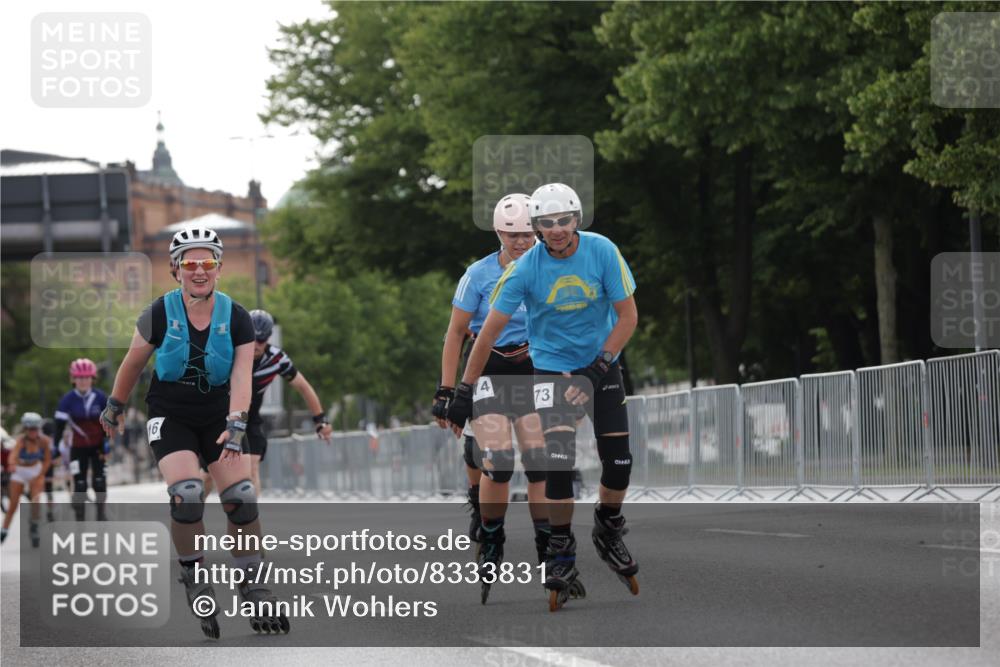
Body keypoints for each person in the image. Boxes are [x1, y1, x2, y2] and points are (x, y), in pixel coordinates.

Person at [448, 183, 640, 611]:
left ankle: (608, 526)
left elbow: (628, 317)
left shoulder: (603, 251)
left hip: (600, 366)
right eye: (546, 224)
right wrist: (461, 391)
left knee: (620, 463)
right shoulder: (520, 271)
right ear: (537, 227)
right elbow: (482, 337)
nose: (555, 231)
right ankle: (558, 549)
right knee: (552, 462)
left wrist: (601, 362)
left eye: (563, 222)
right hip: (549, 368)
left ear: (577, 220)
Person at [100, 224, 287, 638]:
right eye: (190, 263)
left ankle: (252, 582)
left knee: (242, 498)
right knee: (187, 495)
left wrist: (237, 423)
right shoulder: (157, 313)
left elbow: (242, 375)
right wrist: (114, 406)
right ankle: (194, 575)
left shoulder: (236, 316)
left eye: (207, 263)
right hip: (171, 413)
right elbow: (132, 365)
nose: (199, 271)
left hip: (219, 413)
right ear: (175, 269)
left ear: (218, 269)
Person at [433, 193, 549, 603]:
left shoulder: (548, 268)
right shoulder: (478, 275)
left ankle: (551, 549)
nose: (521, 242)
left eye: (527, 234)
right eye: (512, 235)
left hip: (535, 366)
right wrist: (447, 391)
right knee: (497, 464)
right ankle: (491, 534)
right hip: (488, 367)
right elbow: (454, 334)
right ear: (499, 232)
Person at [245, 308, 333, 493]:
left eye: (261, 340)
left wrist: (321, 420)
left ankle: (248, 520)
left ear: (269, 337)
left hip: (249, 418)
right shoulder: (230, 352)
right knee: (209, 476)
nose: (256, 345)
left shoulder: (277, 359)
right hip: (223, 415)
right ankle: (193, 514)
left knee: (251, 469)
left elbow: (304, 387)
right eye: (252, 338)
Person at [53, 358, 109, 521]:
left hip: (98, 446)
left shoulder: (100, 397)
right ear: (73, 379)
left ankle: (100, 514)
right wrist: (56, 448)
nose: (83, 381)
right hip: (78, 448)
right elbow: (59, 427)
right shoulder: (67, 400)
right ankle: (80, 519)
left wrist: (107, 443)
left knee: (99, 482)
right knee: (80, 485)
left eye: (87, 377)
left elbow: (109, 423)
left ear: (92, 378)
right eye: (79, 377)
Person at [1, 413, 52, 547]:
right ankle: (4, 530)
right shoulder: (21, 441)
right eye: (30, 429)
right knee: (13, 504)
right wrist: (11, 464)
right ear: (26, 429)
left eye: (35, 429)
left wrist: (40, 474)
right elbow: (13, 455)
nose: (33, 432)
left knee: (36, 501)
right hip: (20, 471)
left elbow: (47, 460)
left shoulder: (44, 441)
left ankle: (34, 527)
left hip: (35, 469)